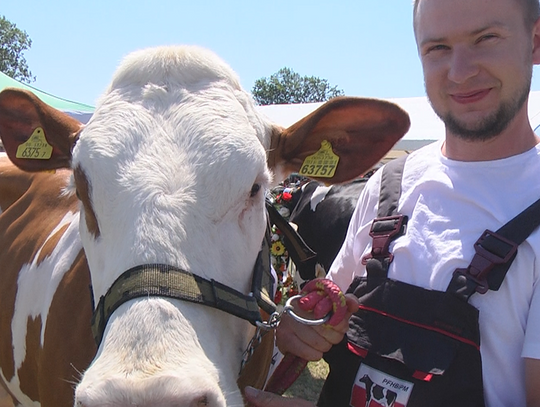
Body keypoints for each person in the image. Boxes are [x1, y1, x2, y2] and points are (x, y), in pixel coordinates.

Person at [245, 0, 540, 405]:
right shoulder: (390, 184)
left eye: (486, 38)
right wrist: (300, 330)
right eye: (437, 48)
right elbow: (329, 313)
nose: (460, 71)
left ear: (535, 41)